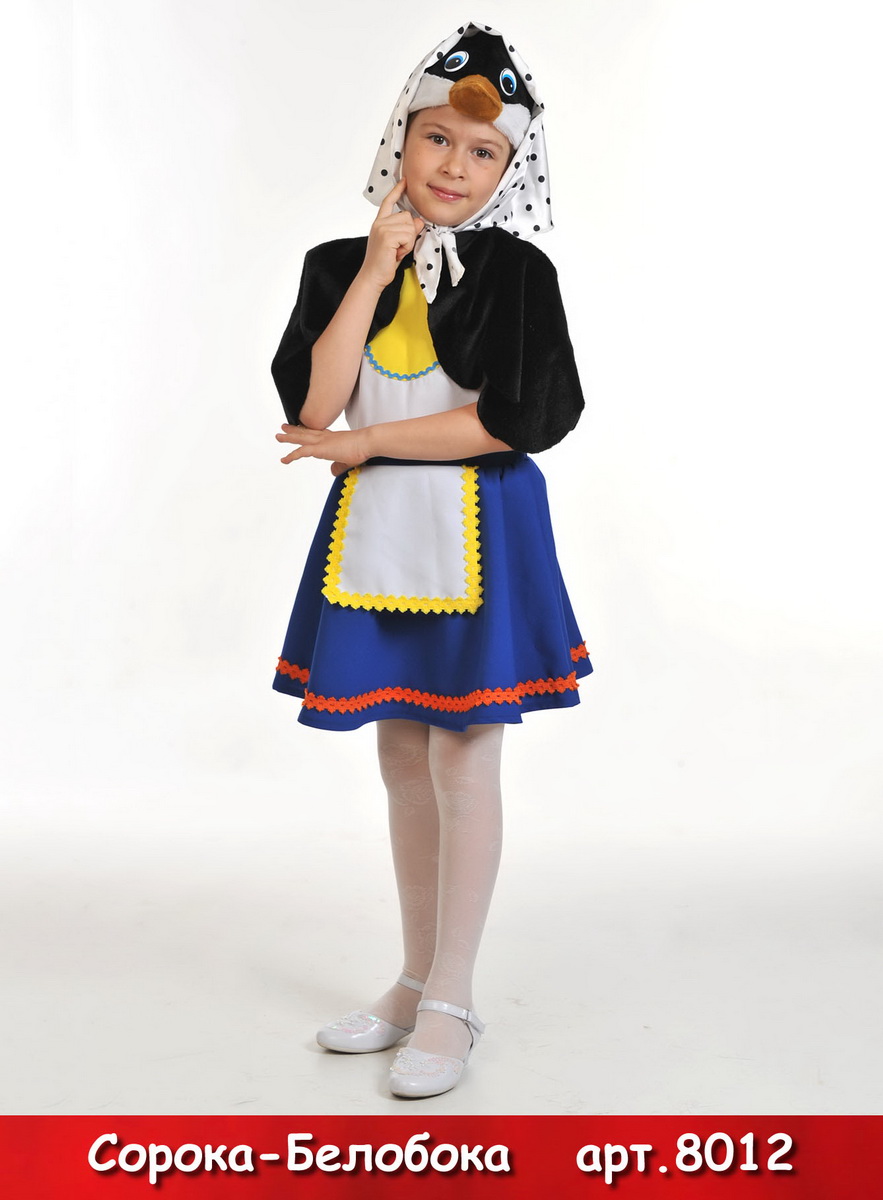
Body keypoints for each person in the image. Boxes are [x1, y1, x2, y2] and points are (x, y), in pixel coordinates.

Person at [270, 22, 591, 1099]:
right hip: (375, 535)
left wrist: (366, 446)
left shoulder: (518, 273)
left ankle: (453, 998)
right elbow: (314, 405)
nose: (454, 166)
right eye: (436, 138)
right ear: (399, 141)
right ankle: (413, 981)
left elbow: (514, 419)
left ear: (511, 168)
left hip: (479, 529)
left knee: (462, 760)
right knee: (401, 758)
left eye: (482, 151)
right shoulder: (334, 266)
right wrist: (374, 271)